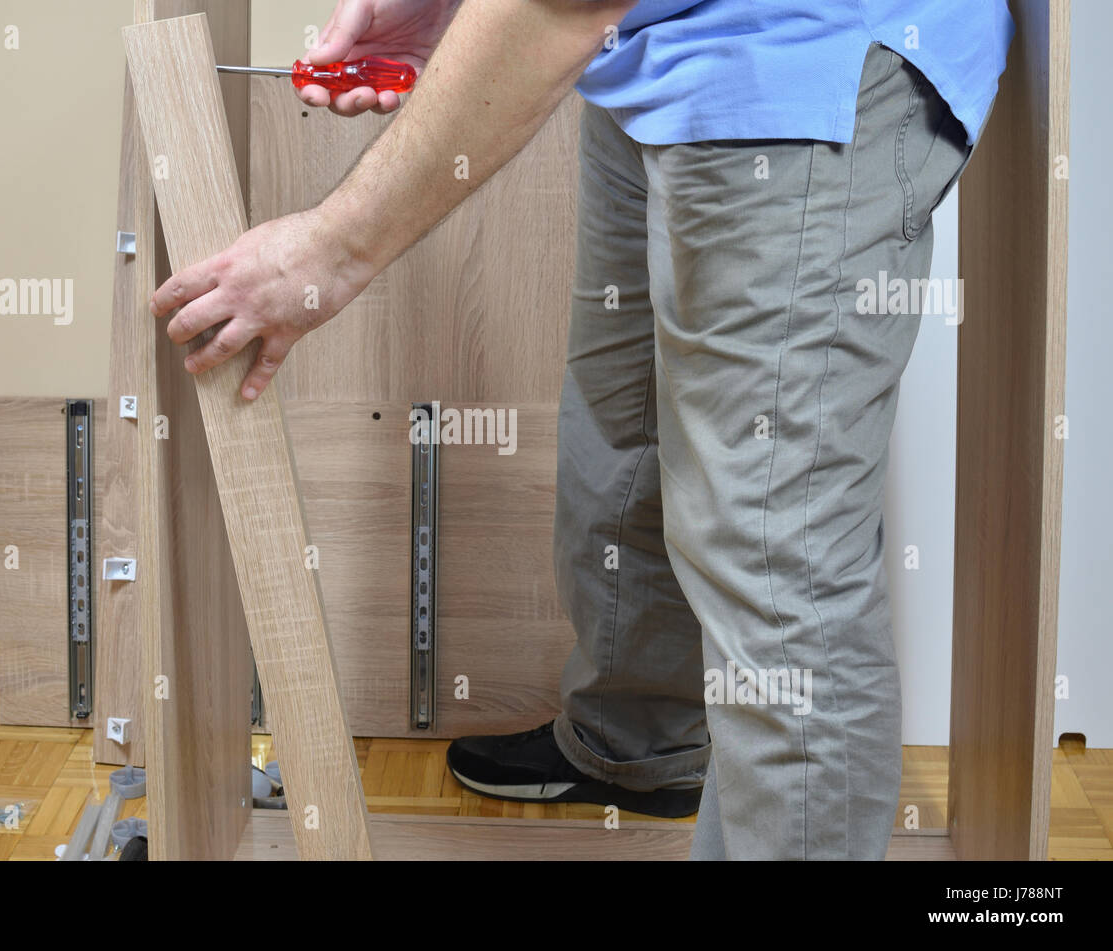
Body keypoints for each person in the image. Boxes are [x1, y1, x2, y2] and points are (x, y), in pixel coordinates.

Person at [149, 0, 1013, 860]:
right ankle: (638, 746)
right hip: (663, 42)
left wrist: (329, 251)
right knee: (624, 438)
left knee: (778, 561)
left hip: (804, 71)